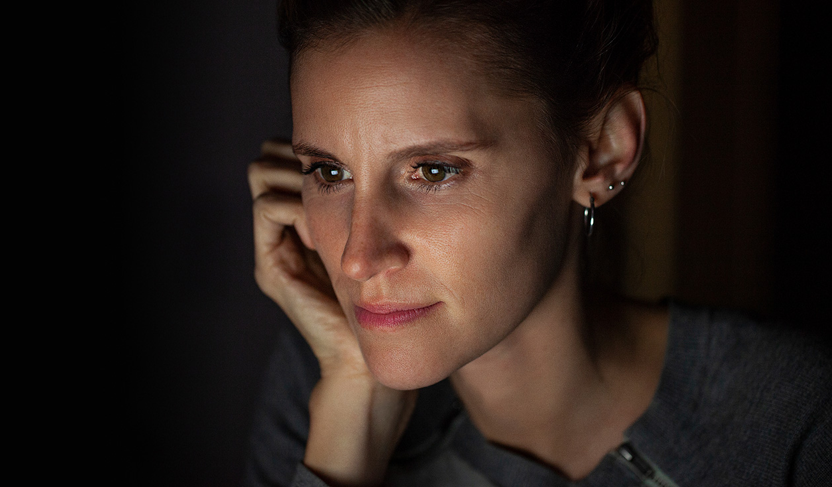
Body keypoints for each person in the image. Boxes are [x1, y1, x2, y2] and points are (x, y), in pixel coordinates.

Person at [244, 1, 831, 485]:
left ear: (602, 151)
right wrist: (349, 417)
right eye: (329, 172)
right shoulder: (325, 380)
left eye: (434, 171)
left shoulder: (792, 419)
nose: (356, 256)